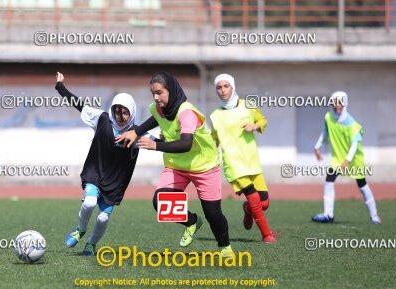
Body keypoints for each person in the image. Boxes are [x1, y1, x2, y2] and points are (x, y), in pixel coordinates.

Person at [115, 71, 234, 257]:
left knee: (213, 214)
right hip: (176, 165)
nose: (156, 97)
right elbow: (155, 119)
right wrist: (135, 131)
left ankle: (225, 247)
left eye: (160, 92)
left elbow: (186, 144)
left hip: (204, 166)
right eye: (153, 93)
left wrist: (155, 145)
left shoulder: (186, 112)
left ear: (171, 90)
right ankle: (192, 221)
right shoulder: (158, 108)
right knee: (161, 201)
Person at [54, 72, 140, 255]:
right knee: (89, 203)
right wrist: (60, 87)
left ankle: (91, 244)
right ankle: (80, 230)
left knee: (102, 219)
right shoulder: (102, 119)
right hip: (95, 172)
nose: (120, 115)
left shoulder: (137, 133)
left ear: (132, 113)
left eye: (125, 112)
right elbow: (79, 105)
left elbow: (162, 139)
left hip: (115, 182)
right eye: (117, 110)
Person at [210, 74, 277, 243]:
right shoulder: (215, 116)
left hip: (252, 162)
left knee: (265, 203)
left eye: (226, 86)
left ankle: (248, 210)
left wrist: (254, 126)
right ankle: (267, 235)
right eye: (219, 87)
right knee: (254, 198)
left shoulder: (248, 105)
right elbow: (213, 141)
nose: (223, 90)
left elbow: (263, 120)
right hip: (233, 165)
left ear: (233, 87)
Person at [312, 91, 381, 224]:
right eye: (334, 102)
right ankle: (328, 215)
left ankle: (374, 216)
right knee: (329, 181)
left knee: (362, 186)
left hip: (354, 160)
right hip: (337, 158)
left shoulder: (352, 124)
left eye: (339, 102)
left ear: (345, 103)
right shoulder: (328, 117)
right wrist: (317, 147)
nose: (337, 105)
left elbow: (355, 144)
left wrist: (347, 160)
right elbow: (325, 132)